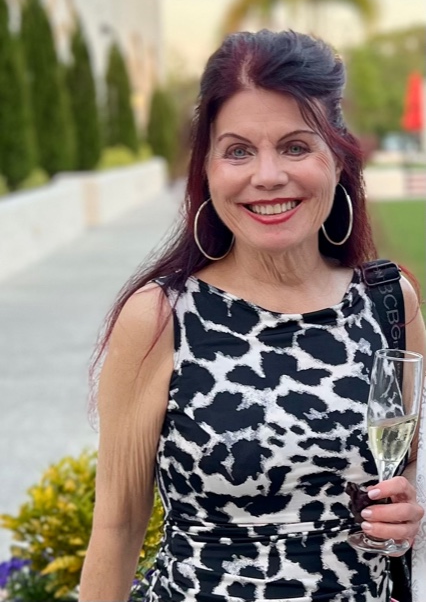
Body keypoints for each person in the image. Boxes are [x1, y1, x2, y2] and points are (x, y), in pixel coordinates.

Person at [79, 30, 426, 602]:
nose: (267, 176)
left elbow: (407, 468)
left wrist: (407, 511)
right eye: (238, 151)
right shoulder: (161, 317)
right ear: (208, 169)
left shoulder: (388, 302)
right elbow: (116, 530)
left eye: (295, 147)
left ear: (338, 159)